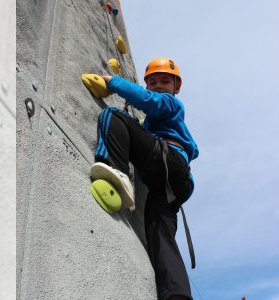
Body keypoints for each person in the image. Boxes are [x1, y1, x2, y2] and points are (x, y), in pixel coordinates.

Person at [90, 58, 199, 300]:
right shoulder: (162, 122)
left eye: (164, 81)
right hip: (172, 185)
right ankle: (176, 294)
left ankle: (116, 172)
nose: (158, 85)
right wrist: (141, 127)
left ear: (176, 87)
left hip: (167, 162)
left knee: (113, 116)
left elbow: (150, 103)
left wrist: (113, 82)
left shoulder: (171, 104)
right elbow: (147, 123)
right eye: (152, 82)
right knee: (159, 234)